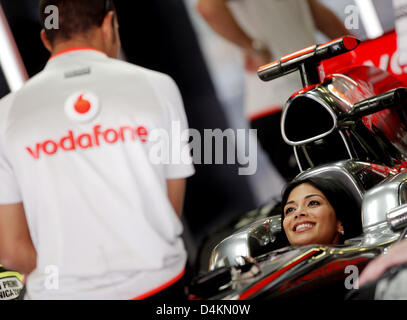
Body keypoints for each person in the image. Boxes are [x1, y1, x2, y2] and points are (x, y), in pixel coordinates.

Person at [0, 0, 195, 300]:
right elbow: (168, 209)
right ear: (108, 23)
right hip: (161, 287)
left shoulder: (5, 114)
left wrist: (70, 275)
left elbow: (11, 253)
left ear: (45, 40)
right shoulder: (158, 87)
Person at [197, 0, 352, 180]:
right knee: (322, 190)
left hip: (316, 93)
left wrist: (355, 49)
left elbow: (312, 11)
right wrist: (253, 47)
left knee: (346, 182)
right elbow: (208, 8)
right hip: (279, 101)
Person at [280, 177, 362, 246]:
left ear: (340, 222)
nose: (298, 213)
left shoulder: (367, 261)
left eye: (313, 203)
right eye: (290, 209)